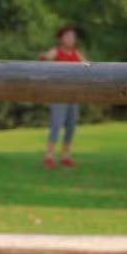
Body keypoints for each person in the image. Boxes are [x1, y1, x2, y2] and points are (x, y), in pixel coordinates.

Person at [38, 24, 86, 168]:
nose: (71, 39)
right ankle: (49, 156)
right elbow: (47, 58)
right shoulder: (56, 51)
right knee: (56, 125)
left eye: (73, 36)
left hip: (73, 95)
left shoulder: (77, 54)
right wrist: (44, 57)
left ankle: (65, 156)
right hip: (58, 94)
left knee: (71, 126)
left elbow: (89, 66)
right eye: (68, 36)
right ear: (61, 38)